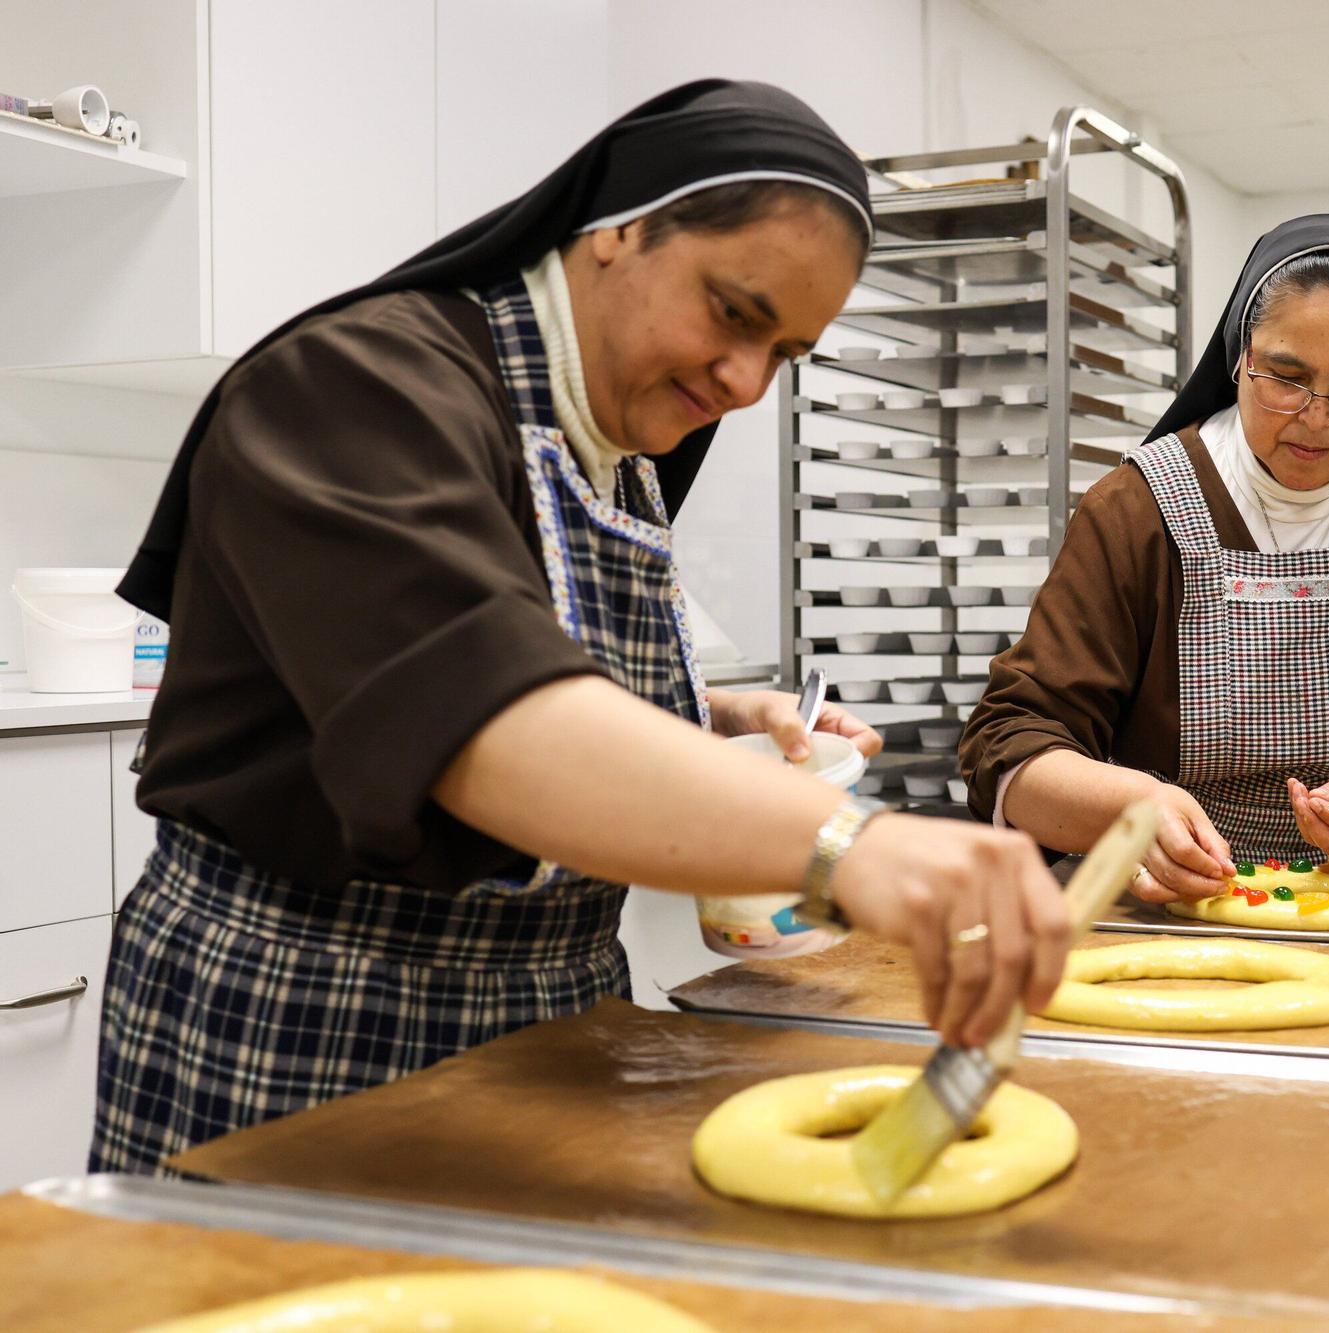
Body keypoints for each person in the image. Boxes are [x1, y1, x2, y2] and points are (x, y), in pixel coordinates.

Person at [92, 80, 1071, 1176]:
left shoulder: (609, 448)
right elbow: (480, 728)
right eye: (734, 314)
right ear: (618, 229)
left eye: (784, 352)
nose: (745, 383)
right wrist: (849, 844)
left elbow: (537, 663)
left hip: (554, 1014)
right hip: (308, 1014)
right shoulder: (355, 386)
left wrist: (709, 715)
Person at [959, 215, 1329, 904]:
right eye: (1286, 376)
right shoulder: (1139, 508)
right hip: (1171, 903)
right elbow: (1009, 739)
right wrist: (1133, 809)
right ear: (1240, 355)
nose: (1315, 417)